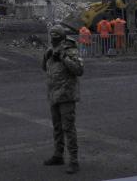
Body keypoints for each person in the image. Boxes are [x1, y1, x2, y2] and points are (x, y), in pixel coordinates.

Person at [42, 25, 84, 175]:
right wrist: (46, 56)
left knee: (68, 128)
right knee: (57, 128)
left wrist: (63, 57)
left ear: (61, 37)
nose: (53, 40)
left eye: (55, 37)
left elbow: (79, 70)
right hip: (54, 94)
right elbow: (45, 68)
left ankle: (74, 160)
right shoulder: (51, 49)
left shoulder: (70, 49)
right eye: (51, 37)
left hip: (66, 95)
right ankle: (58, 155)